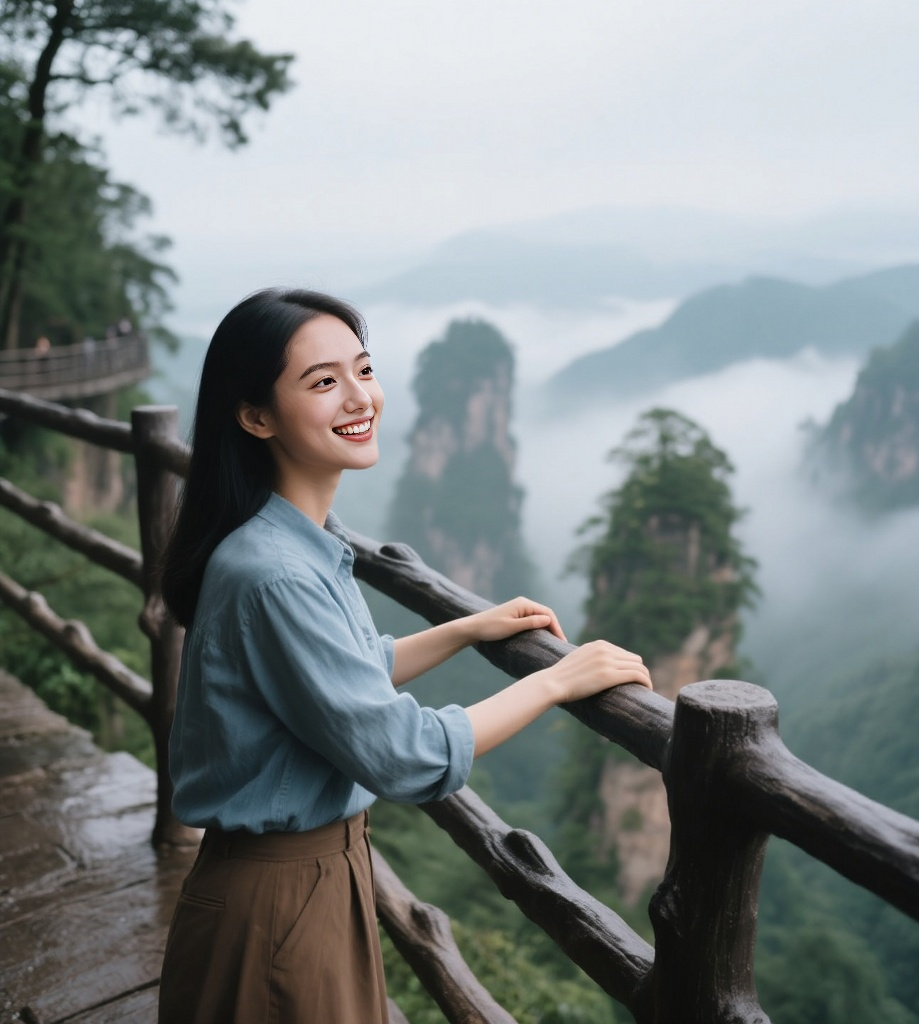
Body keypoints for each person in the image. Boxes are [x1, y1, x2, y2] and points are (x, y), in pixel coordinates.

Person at [157, 287, 651, 1024]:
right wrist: (556, 680)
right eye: (323, 382)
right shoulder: (275, 572)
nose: (360, 397)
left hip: (304, 883)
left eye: (364, 369)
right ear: (256, 416)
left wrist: (463, 629)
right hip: (277, 904)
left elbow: (337, 680)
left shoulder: (285, 538)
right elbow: (399, 753)